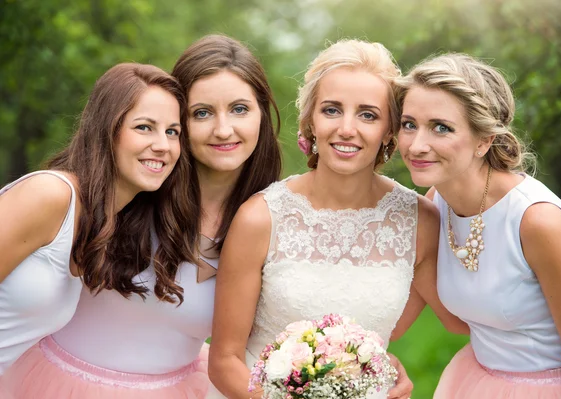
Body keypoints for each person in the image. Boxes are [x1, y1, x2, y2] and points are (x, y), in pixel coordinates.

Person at [4, 34, 282, 399]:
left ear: (263, 113)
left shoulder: (271, 219)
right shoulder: (124, 198)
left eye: (240, 109)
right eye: (201, 113)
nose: (223, 129)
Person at [207, 39, 467, 399]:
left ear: (390, 130)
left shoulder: (420, 222)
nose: (347, 128)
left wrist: (382, 368)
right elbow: (224, 360)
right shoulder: (260, 218)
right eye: (331, 110)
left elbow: (459, 321)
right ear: (310, 121)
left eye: (368, 115)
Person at [396, 53, 561, 398]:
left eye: (441, 127)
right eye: (408, 124)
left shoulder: (538, 222)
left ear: (483, 140)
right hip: (477, 381)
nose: (417, 145)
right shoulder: (436, 202)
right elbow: (414, 317)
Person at [3, 62, 200, 397]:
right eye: (144, 127)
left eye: (172, 132)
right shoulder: (50, 195)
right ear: (107, 129)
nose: (163, 146)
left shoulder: (107, 222)